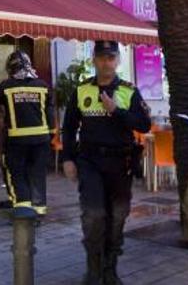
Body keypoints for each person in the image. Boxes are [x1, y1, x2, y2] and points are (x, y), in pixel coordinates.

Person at [62, 40, 151, 285]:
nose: (106, 62)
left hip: (120, 163)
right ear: (94, 60)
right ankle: (93, 269)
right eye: (101, 57)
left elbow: (144, 124)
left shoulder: (128, 91)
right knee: (93, 214)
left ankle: (110, 269)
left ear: (118, 61)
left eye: (111, 58)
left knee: (118, 217)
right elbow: (68, 128)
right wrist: (68, 158)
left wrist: (116, 111)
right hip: (89, 161)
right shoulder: (81, 90)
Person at [0, 50, 54, 217]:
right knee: (37, 172)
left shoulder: (6, 86)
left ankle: (24, 211)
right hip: (42, 141)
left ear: (11, 69)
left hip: (17, 141)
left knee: (16, 172)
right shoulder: (43, 86)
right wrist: (51, 135)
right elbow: (50, 115)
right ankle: (39, 209)